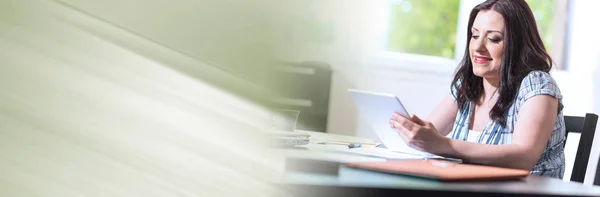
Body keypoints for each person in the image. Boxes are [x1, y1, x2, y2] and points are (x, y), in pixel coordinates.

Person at [388, 0, 565, 179]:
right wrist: (412, 133)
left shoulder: (538, 84)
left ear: (519, 44)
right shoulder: (467, 85)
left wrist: (442, 145)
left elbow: (524, 157)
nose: (478, 48)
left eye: (493, 39)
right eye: (474, 36)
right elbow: (427, 137)